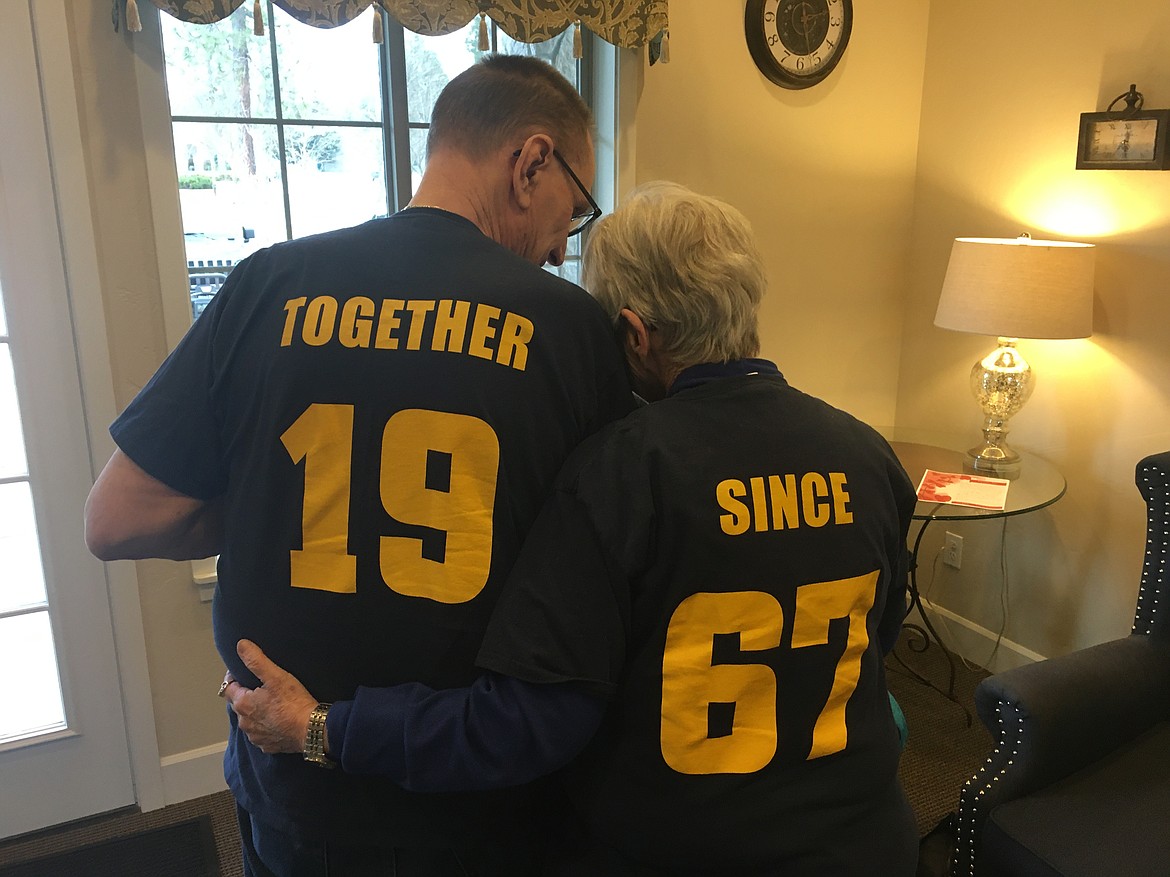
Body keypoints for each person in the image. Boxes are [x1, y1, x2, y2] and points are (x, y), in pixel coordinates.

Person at [224, 181, 921, 875]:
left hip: (681, 852)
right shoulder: (868, 456)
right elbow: (875, 641)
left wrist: (322, 727)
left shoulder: (623, 471)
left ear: (634, 334)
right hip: (867, 844)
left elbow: (526, 725)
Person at [83, 54, 634, 876]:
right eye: (575, 211)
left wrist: (297, 495)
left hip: (297, 790)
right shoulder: (570, 329)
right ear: (531, 163)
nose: (561, 246)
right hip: (480, 795)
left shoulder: (270, 282)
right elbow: (607, 565)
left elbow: (116, 517)